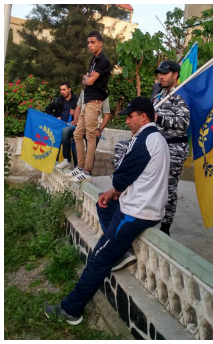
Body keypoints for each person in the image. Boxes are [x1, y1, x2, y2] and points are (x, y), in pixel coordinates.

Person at [45, 97, 169, 325]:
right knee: (103, 203)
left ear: (143, 116)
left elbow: (122, 176)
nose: (127, 122)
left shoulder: (145, 139)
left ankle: (71, 310)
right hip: (144, 207)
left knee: (98, 258)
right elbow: (131, 179)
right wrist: (112, 192)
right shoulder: (157, 138)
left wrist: (116, 188)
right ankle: (121, 251)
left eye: (130, 117)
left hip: (136, 214)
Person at [112, 61, 190, 237]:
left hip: (173, 147)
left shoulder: (181, 94)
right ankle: (127, 201)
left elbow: (184, 122)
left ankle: (165, 229)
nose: (161, 76)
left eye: (165, 73)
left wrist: (158, 118)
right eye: (159, 73)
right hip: (152, 144)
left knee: (168, 187)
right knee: (121, 149)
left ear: (175, 75)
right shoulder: (159, 94)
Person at [71, 30, 112, 182]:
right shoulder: (94, 60)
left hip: (95, 103)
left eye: (93, 42)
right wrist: (86, 79)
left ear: (100, 43)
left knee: (90, 136)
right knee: (77, 134)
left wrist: (86, 79)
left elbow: (89, 81)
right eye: (88, 42)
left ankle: (87, 171)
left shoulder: (103, 61)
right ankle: (80, 167)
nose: (89, 45)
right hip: (87, 101)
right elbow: (86, 80)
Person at [58, 90, 110, 170]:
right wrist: (75, 120)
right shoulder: (84, 92)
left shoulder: (102, 93)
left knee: (90, 152)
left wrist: (100, 130)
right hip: (81, 125)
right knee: (66, 132)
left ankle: (87, 171)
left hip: (94, 127)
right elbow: (78, 108)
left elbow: (107, 115)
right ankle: (68, 160)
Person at [45, 82, 78, 168]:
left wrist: (75, 114)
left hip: (74, 127)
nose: (62, 92)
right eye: (61, 90)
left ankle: (77, 166)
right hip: (60, 127)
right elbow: (47, 108)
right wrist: (56, 117)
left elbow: (83, 113)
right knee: (56, 144)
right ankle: (57, 162)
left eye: (64, 89)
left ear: (69, 89)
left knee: (75, 147)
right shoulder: (58, 100)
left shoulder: (77, 99)